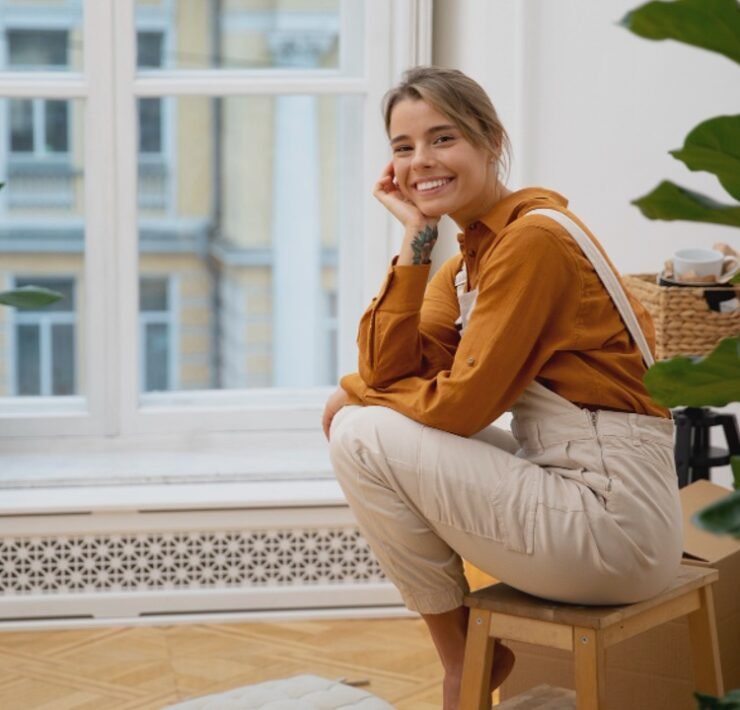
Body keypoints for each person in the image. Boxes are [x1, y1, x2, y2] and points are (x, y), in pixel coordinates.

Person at [322, 66, 682, 710]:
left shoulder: (533, 242)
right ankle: (466, 655)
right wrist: (414, 239)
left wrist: (352, 395)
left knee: (358, 430)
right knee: (363, 420)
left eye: (442, 139)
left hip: (613, 522)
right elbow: (388, 372)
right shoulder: (467, 260)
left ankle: (463, 663)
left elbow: (457, 408)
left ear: (492, 140)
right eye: (403, 148)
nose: (420, 161)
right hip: (573, 487)